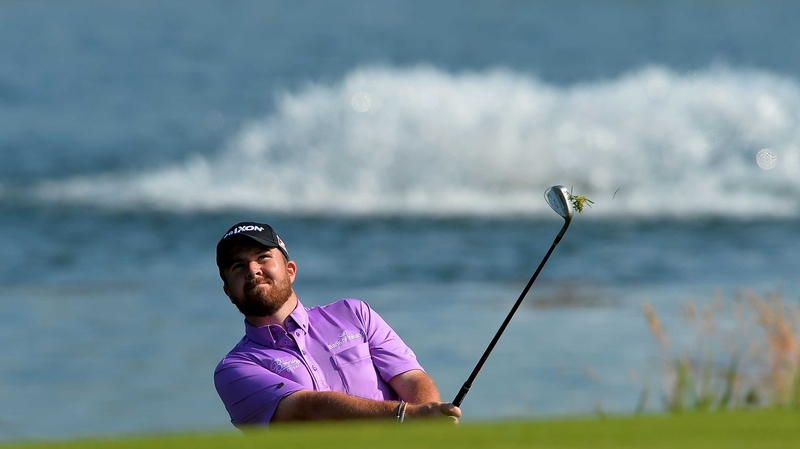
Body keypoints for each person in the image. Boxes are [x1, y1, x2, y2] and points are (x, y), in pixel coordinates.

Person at [213, 221, 462, 429]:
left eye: (263, 257)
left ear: (290, 271)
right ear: (228, 292)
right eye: (238, 266)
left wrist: (427, 429)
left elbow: (411, 378)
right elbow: (307, 409)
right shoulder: (234, 369)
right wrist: (407, 416)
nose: (252, 269)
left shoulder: (354, 313)